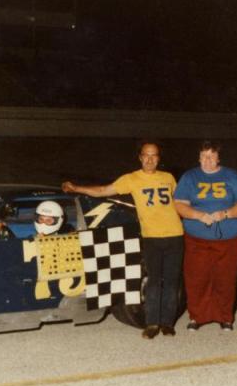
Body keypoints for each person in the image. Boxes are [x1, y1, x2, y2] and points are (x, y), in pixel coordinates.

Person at [62, 141, 184, 339]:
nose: (150, 159)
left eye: (154, 155)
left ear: (159, 158)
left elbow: (181, 202)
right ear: (140, 157)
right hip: (151, 236)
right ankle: (152, 323)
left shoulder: (168, 177)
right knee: (153, 281)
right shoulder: (131, 179)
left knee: (171, 281)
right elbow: (103, 191)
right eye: (146, 155)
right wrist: (77, 188)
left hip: (175, 235)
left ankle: (168, 323)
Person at [174, 140, 237, 332]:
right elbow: (179, 204)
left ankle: (225, 317)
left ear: (219, 158)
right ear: (198, 157)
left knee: (225, 278)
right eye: (203, 156)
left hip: (229, 237)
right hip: (196, 237)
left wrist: (226, 213)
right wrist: (198, 215)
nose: (207, 160)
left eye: (211, 156)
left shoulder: (232, 176)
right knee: (197, 278)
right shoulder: (190, 176)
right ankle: (197, 317)